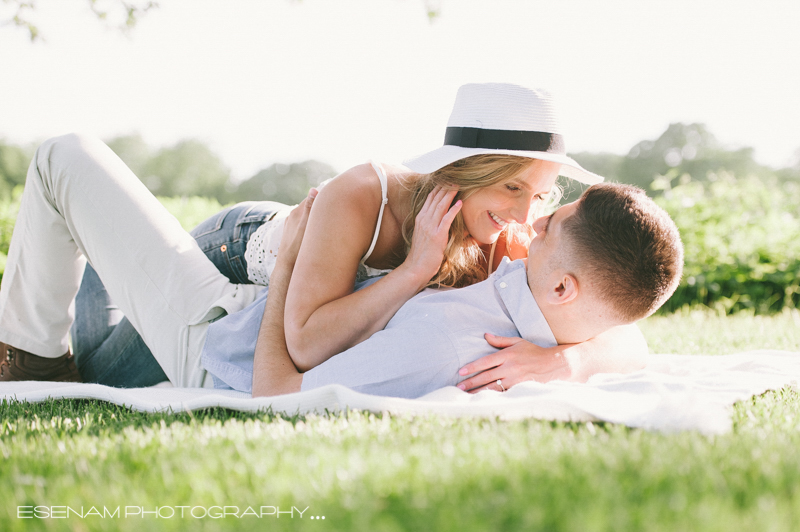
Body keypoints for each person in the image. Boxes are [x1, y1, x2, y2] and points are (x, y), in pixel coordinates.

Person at [0, 83, 646, 389]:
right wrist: (412, 270)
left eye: (540, 196)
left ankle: (38, 357)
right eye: (511, 188)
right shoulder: (366, 193)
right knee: (69, 156)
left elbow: (615, 303)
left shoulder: (502, 235)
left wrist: (568, 358)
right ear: (464, 170)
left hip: (243, 321)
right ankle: (26, 350)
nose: (524, 212)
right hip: (231, 259)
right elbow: (304, 342)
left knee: (93, 377)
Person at [247, 182, 683, 397]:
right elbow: (630, 334)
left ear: (564, 287)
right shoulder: (566, 318)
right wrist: (569, 361)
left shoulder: (442, 343)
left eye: (550, 226)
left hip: (218, 332)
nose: (533, 221)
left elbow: (275, 393)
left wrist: (288, 259)